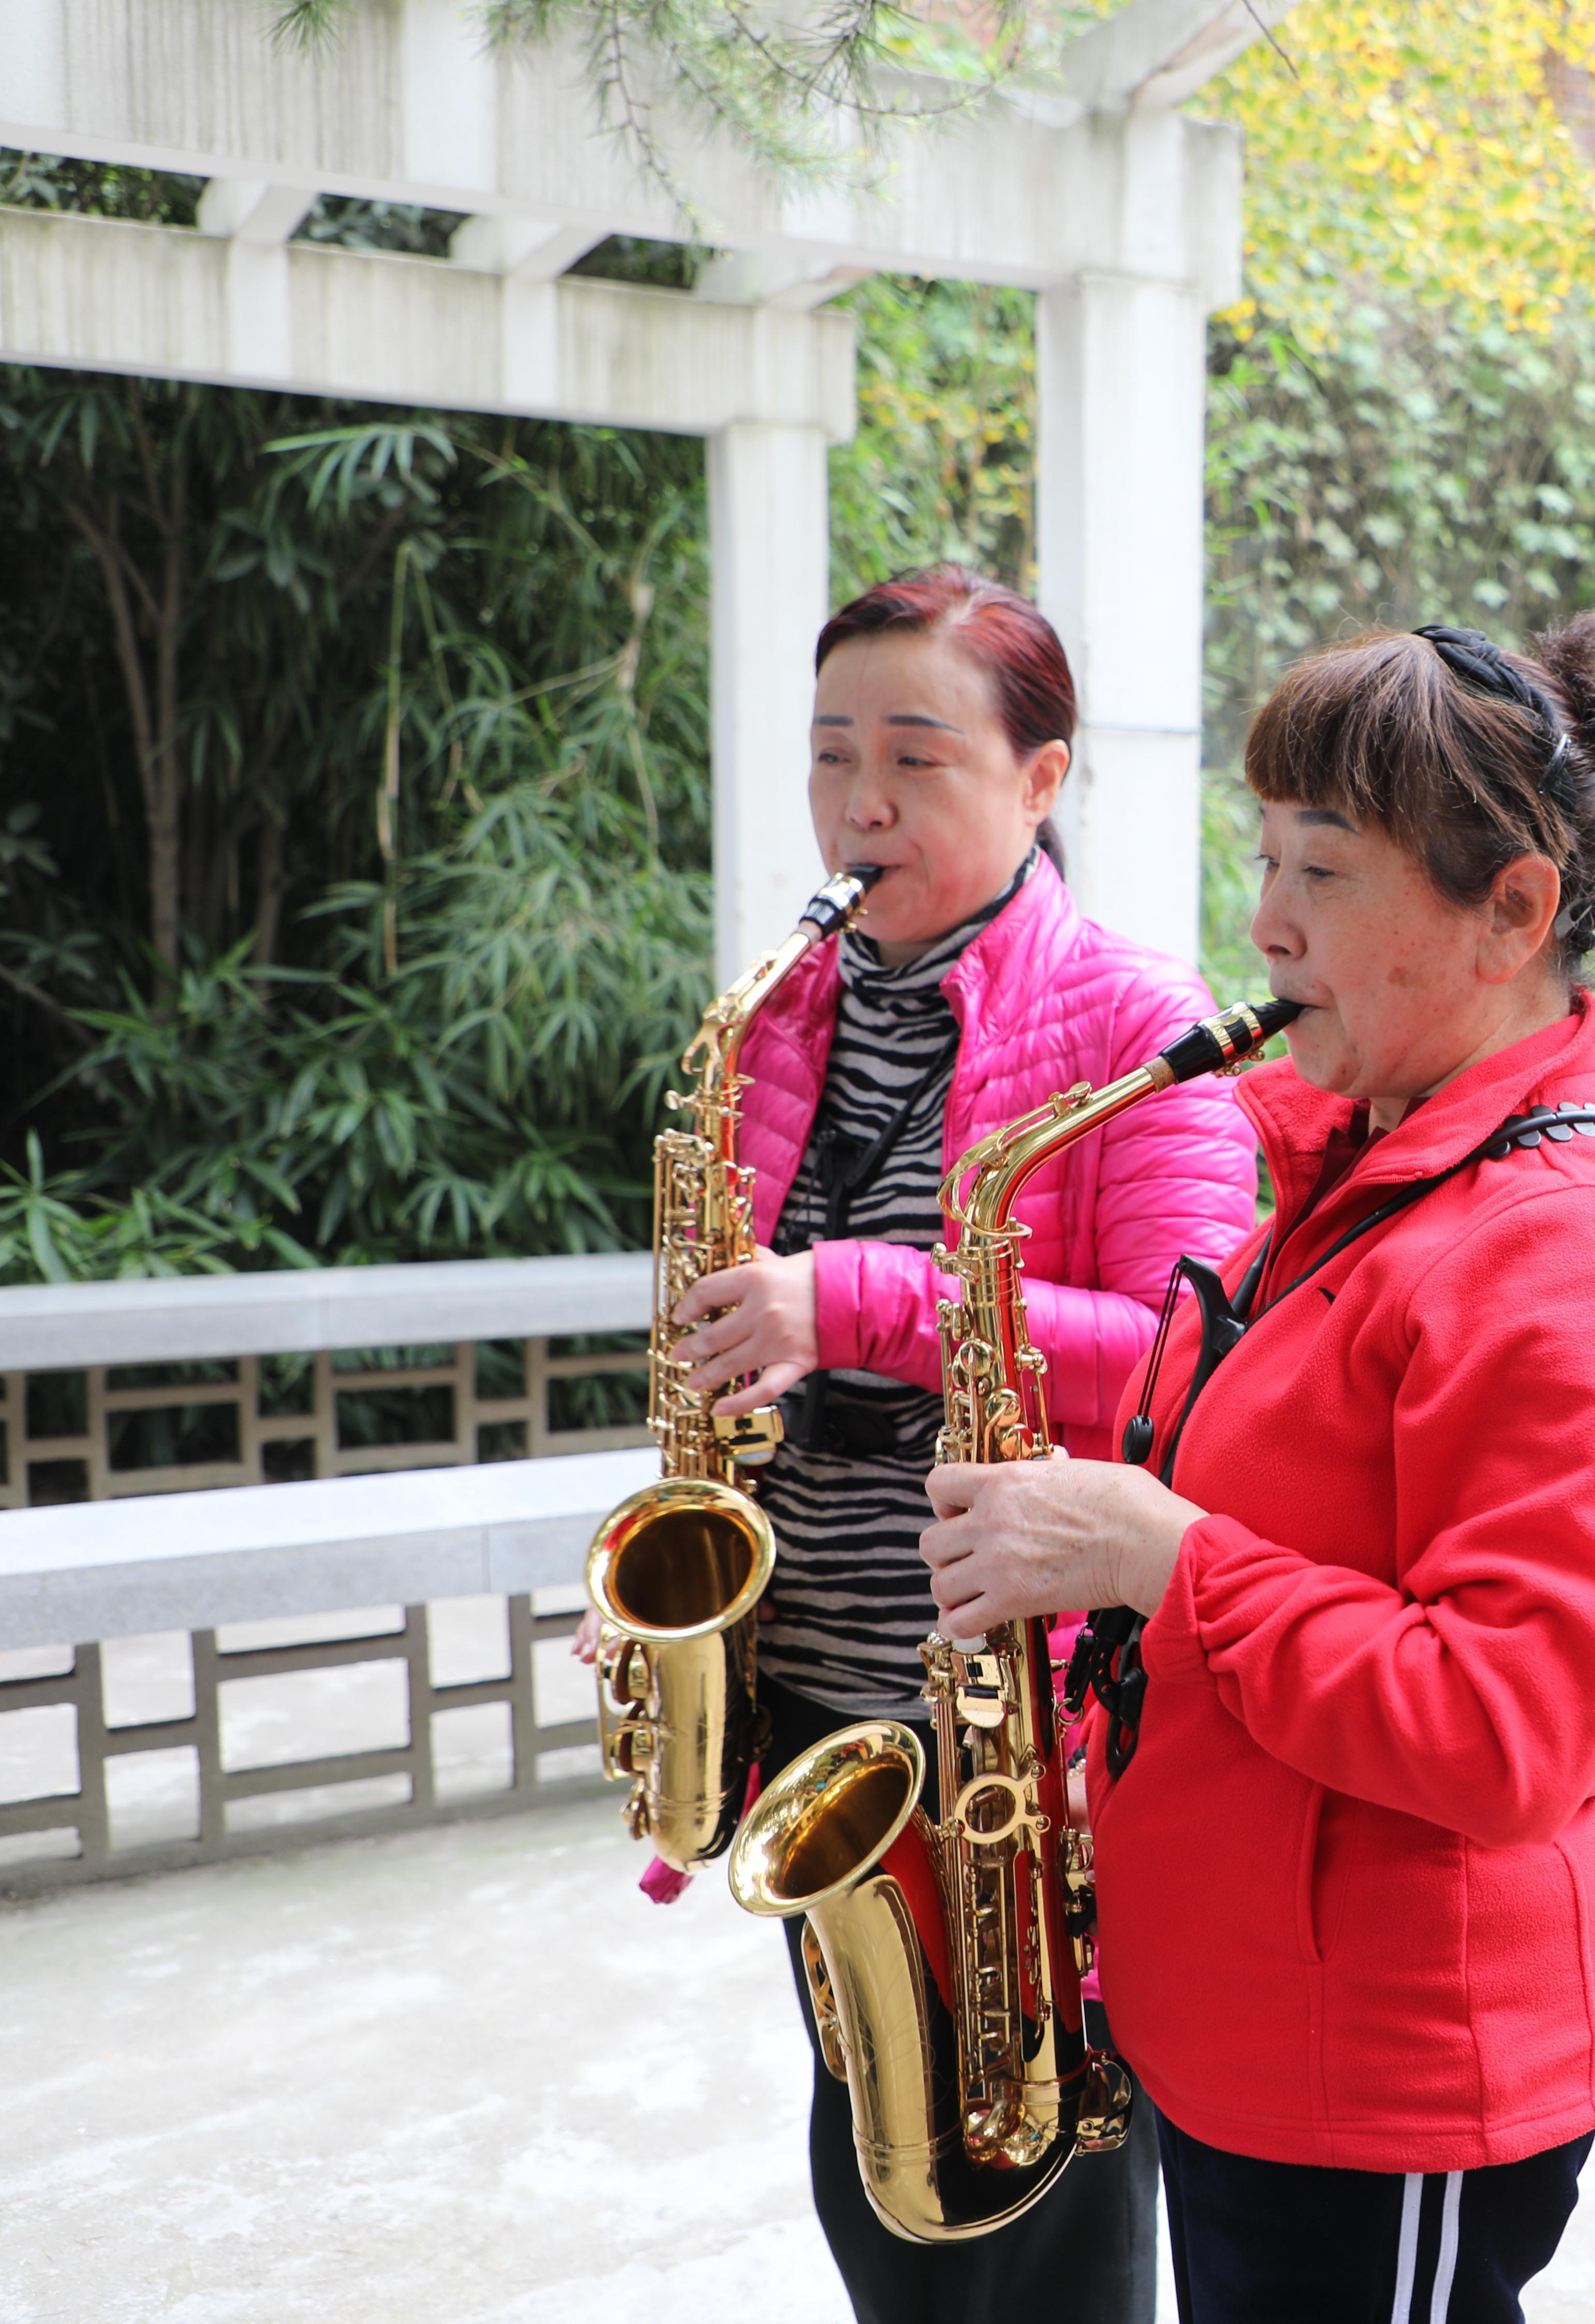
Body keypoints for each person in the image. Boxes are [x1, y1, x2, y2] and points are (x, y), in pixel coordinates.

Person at [912, 616, 1595, 2324]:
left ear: (1514, 911)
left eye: (1327, 871)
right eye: (1264, 856)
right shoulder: (1354, 1175)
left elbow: (1514, 1729)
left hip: (1393, 2085)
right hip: (1248, 2036)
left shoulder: (1574, 1243)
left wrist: (1161, 1559)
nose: (1268, 924)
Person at [636, 565, 1259, 2324]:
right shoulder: (776, 1021)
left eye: (916, 756)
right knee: (874, 2197)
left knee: (1038, 2225)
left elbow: (1182, 1367)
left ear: (1044, 777)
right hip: (813, 1709)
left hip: (1017, 1742)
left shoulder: (1146, 1025)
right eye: (832, 756)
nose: (861, 806)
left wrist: (861, 1303)